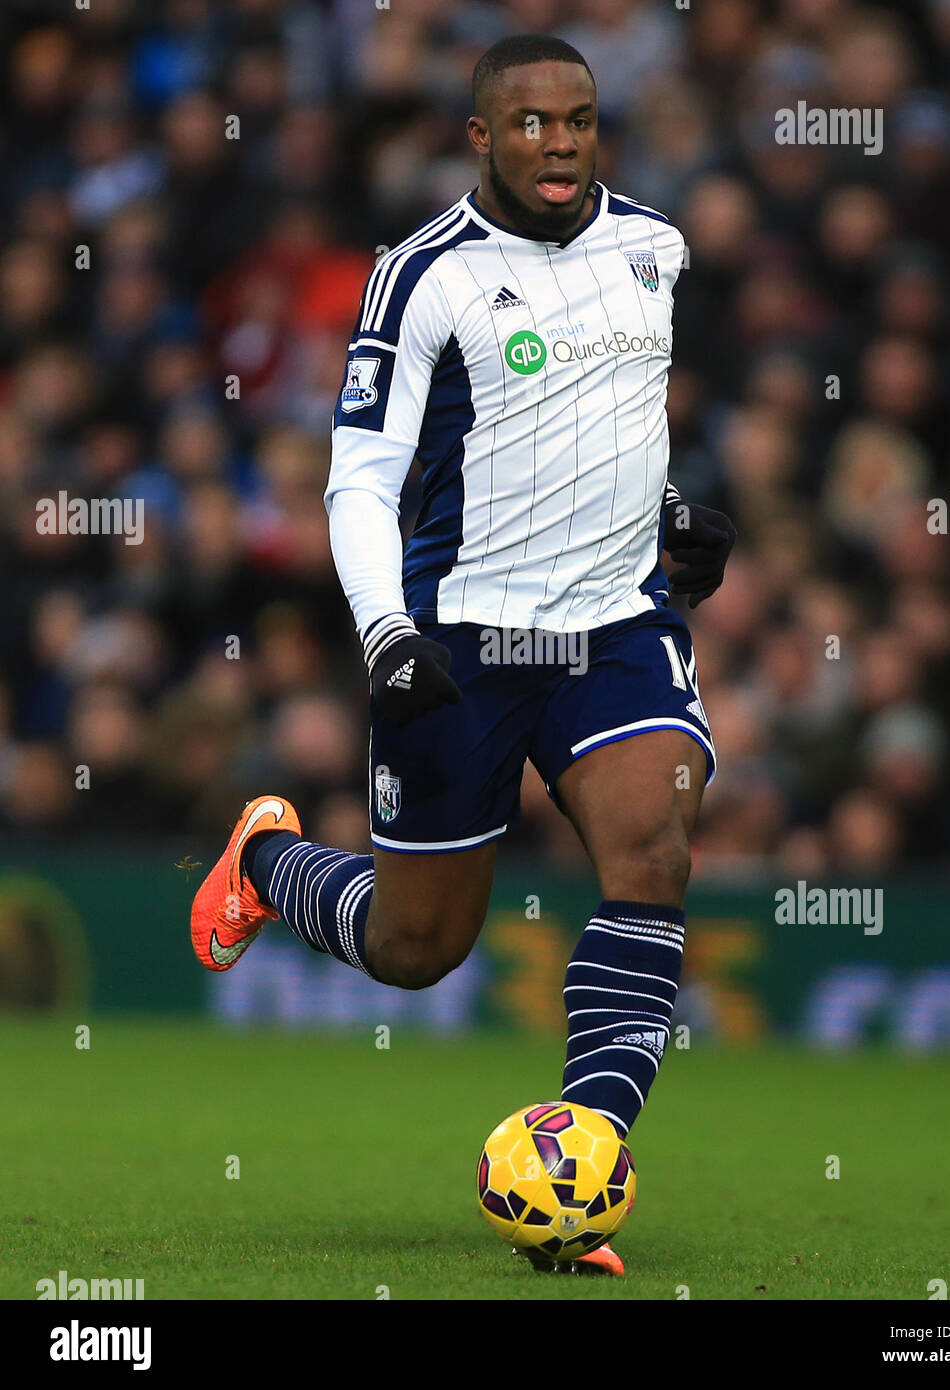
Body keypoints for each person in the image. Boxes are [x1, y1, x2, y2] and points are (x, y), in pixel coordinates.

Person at [190, 33, 735, 1276]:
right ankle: (268, 860)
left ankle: (581, 1160)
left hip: (613, 626)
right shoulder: (418, 275)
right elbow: (361, 479)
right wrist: (385, 633)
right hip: (458, 638)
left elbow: (617, 419)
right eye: (532, 124)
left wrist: (673, 520)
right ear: (480, 136)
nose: (560, 144)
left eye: (580, 121)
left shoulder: (654, 245)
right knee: (417, 949)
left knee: (652, 846)